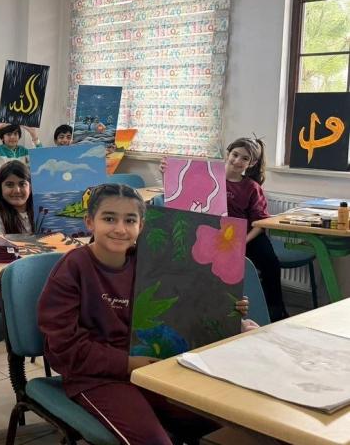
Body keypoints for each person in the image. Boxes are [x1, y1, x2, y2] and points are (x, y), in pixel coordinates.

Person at [38, 184, 249, 444]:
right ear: (89, 222)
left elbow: (187, 305)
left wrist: (228, 307)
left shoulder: (152, 263)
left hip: (153, 368)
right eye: (109, 219)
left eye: (130, 220)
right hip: (94, 377)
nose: (120, 229)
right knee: (153, 441)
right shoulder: (73, 268)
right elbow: (63, 348)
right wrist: (127, 364)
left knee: (227, 420)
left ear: (142, 226)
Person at [160, 138, 287, 321]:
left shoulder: (252, 187)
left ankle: (275, 311)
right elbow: (181, 194)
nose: (238, 161)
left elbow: (259, 223)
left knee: (270, 262)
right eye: (235, 155)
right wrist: (167, 172)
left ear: (251, 163)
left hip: (246, 237)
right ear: (228, 154)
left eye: (245, 158)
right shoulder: (207, 176)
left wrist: (242, 242)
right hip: (212, 234)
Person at [0, 160, 34, 235]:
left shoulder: (40, 211)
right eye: (9, 185)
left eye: (22, 184)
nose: (17, 190)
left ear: (30, 188)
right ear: (0, 189)